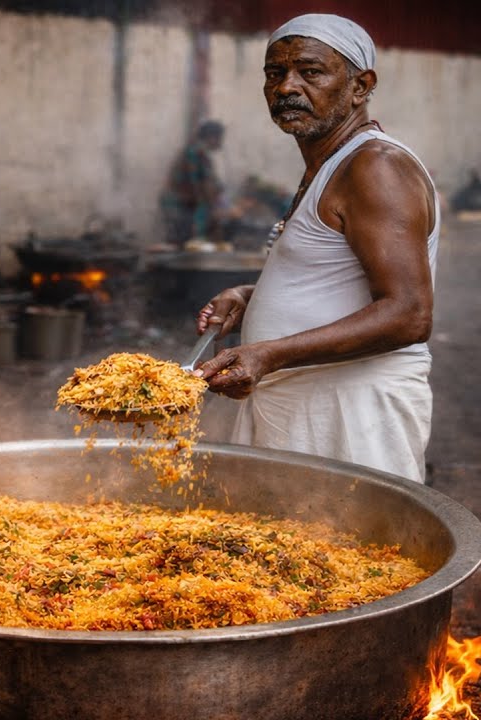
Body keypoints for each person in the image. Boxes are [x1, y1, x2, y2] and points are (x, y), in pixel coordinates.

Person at [192, 14, 439, 482]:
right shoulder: (330, 164)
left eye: (310, 71)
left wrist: (266, 354)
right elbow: (335, 277)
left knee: (353, 550)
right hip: (302, 409)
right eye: (274, 73)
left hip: (351, 415)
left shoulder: (375, 167)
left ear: (360, 86)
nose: (286, 87)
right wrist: (252, 296)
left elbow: (409, 313)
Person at [160, 119, 227, 249]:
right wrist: (216, 209)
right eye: (220, 138)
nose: (221, 143)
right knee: (186, 244)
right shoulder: (199, 152)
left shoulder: (193, 150)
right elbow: (206, 186)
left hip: (179, 204)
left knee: (181, 243)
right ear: (212, 137)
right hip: (179, 204)